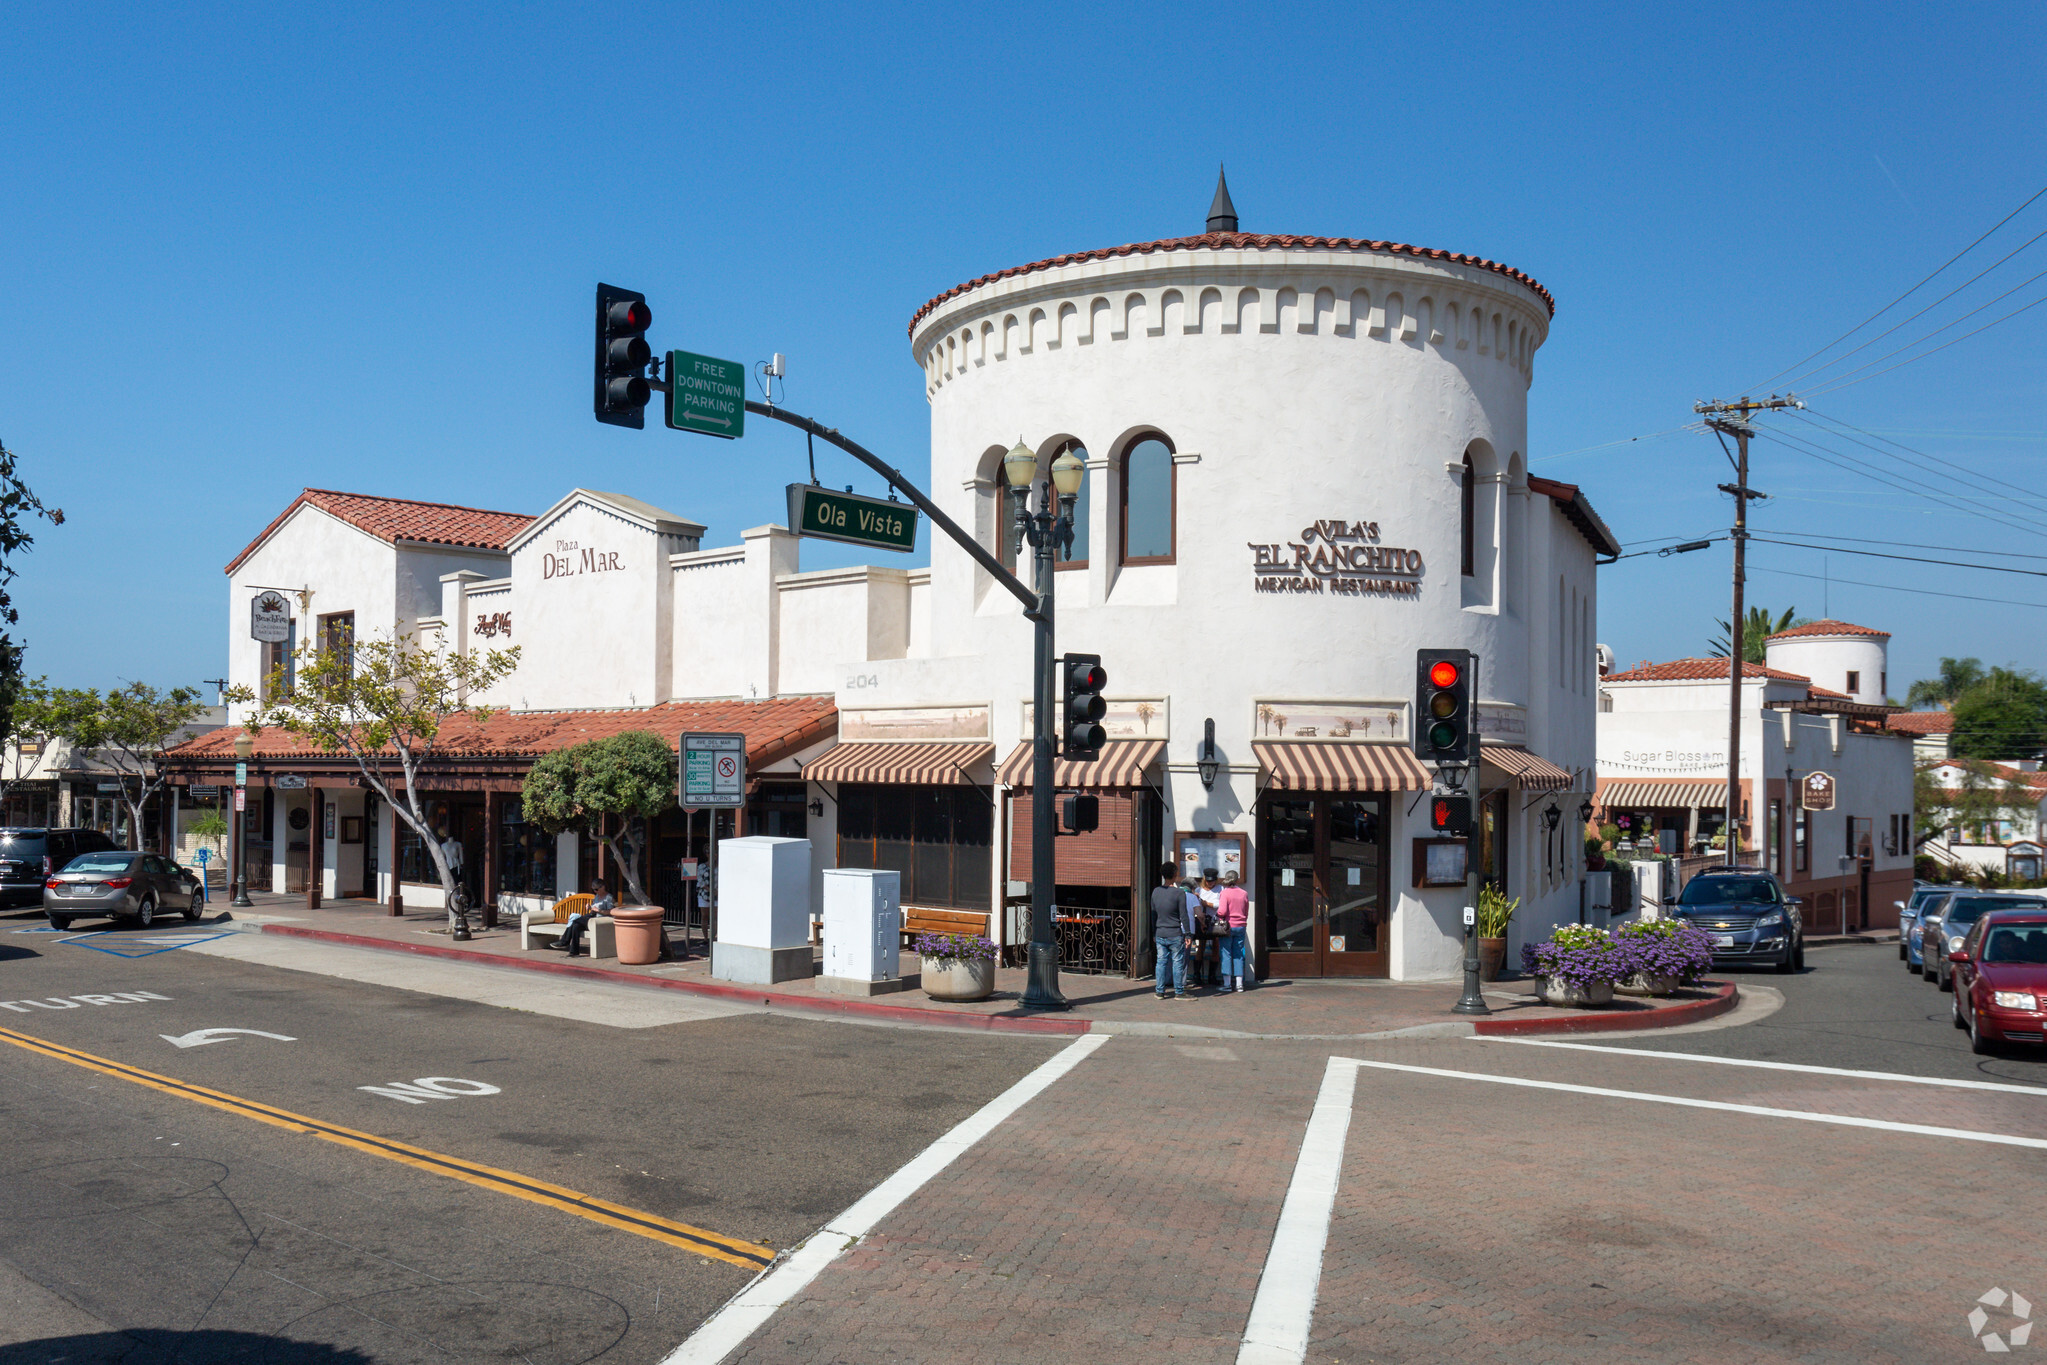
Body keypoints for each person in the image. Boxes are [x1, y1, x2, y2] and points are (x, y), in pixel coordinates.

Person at [1150, 862, 1194, 1000]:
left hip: (1160, 932)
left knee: (1161, 961)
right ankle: (1179, 992)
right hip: (1175, 932)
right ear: (1175, 874)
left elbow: (1153, 915)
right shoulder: (1179, 893)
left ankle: (1160, 991)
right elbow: (1183, 915)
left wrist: (1153, 933)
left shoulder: (1156, 891)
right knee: (1177, 962)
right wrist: (1188, 933)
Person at [1215, 869, 1252, 992]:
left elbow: (1222, 911)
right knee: (1239, 953)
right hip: (1241, 925)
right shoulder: (1244, 893)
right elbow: (1246, 911)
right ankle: (1239, 984)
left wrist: (1218, 915)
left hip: (1227, 926)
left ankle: (1227, 984)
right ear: (1236, 880)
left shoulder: (1225, 893)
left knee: (1226, 953)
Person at [557, 890, 615, 957]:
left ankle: (565, 941)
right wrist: (590, 907)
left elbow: (611, 912)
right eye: (594, 890)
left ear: (602, 887)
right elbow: (594, 908)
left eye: (596, 889)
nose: (595, 891)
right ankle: (574, 952)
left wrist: (599, 910)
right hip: (591, 916)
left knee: (575, 919)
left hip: (597, 920)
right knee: (575, 926)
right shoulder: (597, 896)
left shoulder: (608, 897)